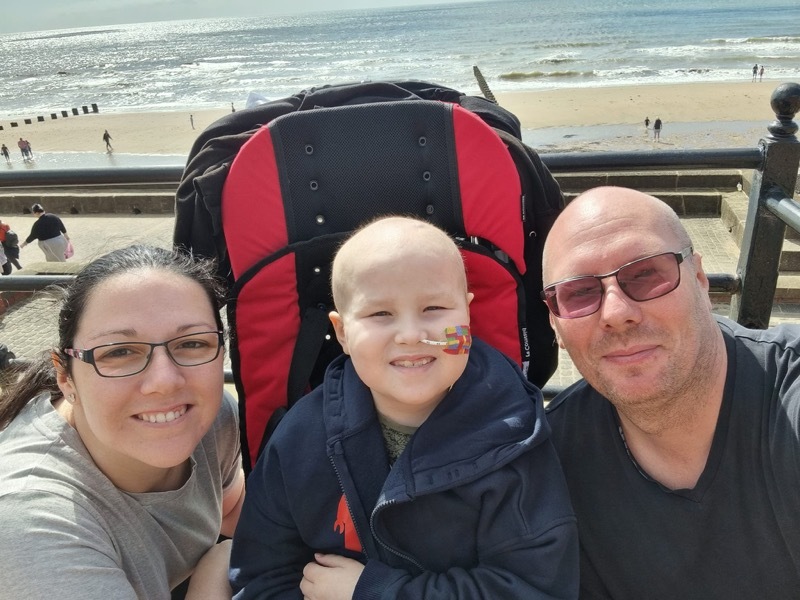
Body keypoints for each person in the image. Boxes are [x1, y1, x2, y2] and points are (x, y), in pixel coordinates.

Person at [230, 216, 578, 599]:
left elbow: (535, 587)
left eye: (434, 308)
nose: (412, 335)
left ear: (467, 315)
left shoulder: (516, 437)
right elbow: (262, 575)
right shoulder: (299, 440)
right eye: (380, 314)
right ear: (343, 332)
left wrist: (375, 593)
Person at [541, 186, 800, 598]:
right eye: (580, 293)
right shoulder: (550, 462)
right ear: (555, 324)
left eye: (646, 274)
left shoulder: (787, 400)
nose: (617, 313)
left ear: (700, 279)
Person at [0, 244, 245, 599]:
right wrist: (217, 566)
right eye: (118, 352)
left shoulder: (211, 418)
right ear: (65, 378)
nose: (165, 382)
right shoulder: (31, 520)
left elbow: (231, 504)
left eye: (192, 343)